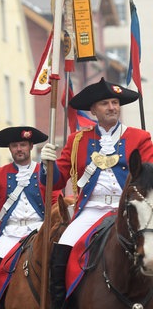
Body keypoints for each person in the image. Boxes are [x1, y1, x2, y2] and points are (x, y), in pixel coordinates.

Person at [40, 77, 153, 309]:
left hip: (129, 210)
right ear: (93, 110)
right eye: (105, 103)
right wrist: (46, 165)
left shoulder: (139, 138)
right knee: (61, 251)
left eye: (115, 102)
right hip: (91, 210)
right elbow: (56, 180)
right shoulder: (78, 140)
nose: (112, 107)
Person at [0, 126, 60, 309]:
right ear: (10, 148)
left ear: (31, 146)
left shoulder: (45, 170)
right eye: (15, 145)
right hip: (10, 233)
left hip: (39, 231)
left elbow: (56, 201)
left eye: (23, 144)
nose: (19, 149)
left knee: (59, 269)